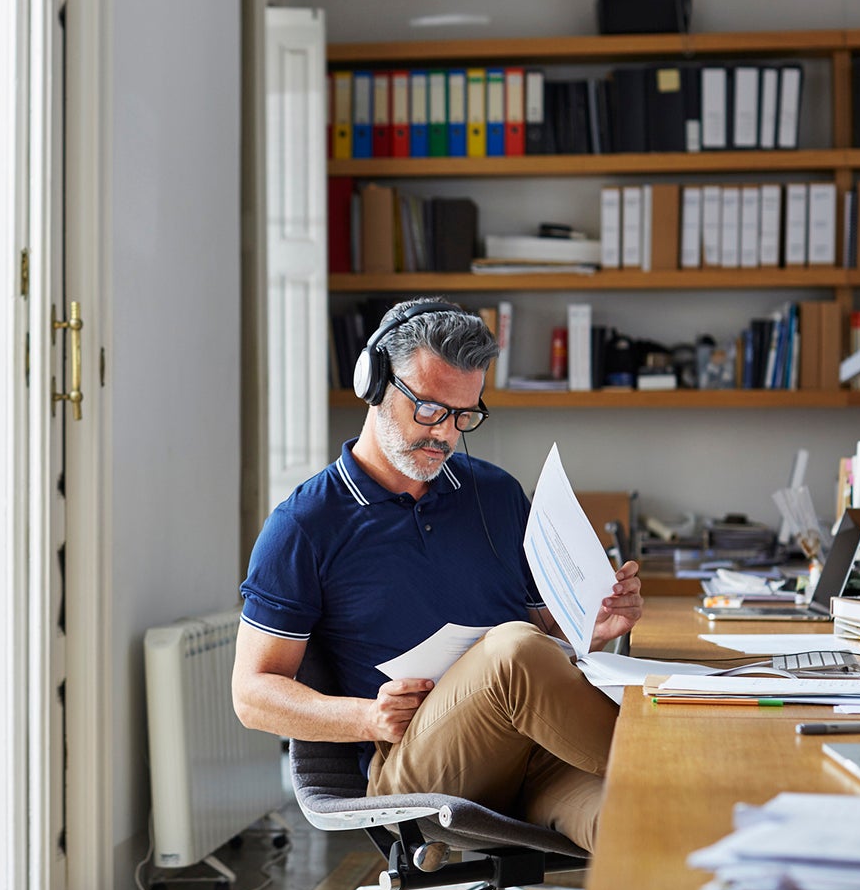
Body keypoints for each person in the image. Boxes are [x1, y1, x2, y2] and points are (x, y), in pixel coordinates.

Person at [231, 297, 642, 852]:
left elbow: (547, 631)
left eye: (463, 415)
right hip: (422, 776)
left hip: (535, 758)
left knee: (646, 823)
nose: (446, 435)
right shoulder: (304, 525)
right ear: (375, 382)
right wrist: (368, 718)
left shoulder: (495, 494)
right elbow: (252, 694)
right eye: (429, 409)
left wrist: (592, 623)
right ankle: (678, 761)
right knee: (513, 650)